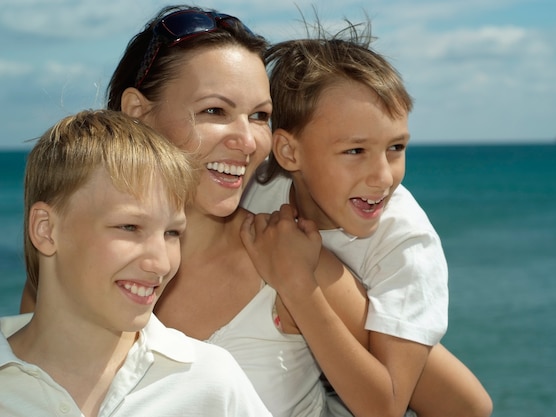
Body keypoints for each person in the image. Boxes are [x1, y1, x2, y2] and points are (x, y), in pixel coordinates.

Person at [21, 5, 368, 417]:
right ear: (137, 112)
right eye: (214, 111)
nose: (248, 140)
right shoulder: (72, 275)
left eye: (259, 116)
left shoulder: (294, 261)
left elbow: (423, 400)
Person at [240, 21, 493, 417]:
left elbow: (387, 407)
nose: (383, 176)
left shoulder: (404, 243)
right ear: (288, 153)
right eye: (356, 150)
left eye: (396, 147)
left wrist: (299, 284)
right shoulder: (259, 187)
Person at [2, 109, 271, 417]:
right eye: (129, 227)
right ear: (45, 229)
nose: (160, 264)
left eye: (172, 233)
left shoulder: (209, 383)